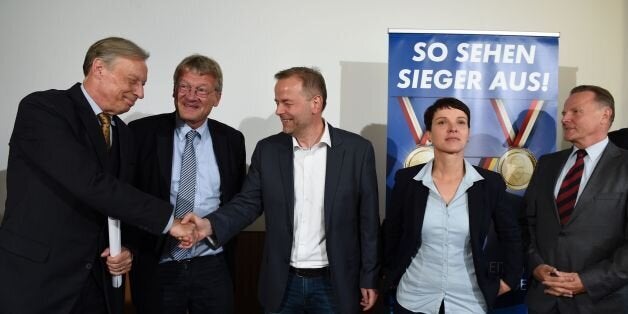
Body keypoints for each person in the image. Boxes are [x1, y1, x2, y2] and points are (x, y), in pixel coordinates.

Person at [0, 37, 197, 314]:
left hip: (99, 287)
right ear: (99, 68)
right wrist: (169, 222)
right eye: (133, 81)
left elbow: (120, 201)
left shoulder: (125, 134)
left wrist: (127, 248)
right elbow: (89, 182)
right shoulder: (43, 109)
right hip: (38, 282)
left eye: (143, 85)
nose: (140, 93)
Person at [183, 66, 380, 313]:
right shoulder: (268, 150)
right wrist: (210, 225)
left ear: (315, 103)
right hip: (282, 284)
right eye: (277, 102)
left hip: (336, 283)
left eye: (286, 103)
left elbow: (368, 221)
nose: (278, 111)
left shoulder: (357, 151)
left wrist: (369, 277)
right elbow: (248, 203)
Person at [128, 54, 246, 314]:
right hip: (158, 262)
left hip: (213, 264)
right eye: (184, 87)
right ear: (174, 91)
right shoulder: (141, 133)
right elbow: (127, 197)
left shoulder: (232, 140)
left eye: (202, 90)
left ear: (217, 97)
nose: (191, 96)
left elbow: (237, 201)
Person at [382, 97, 523, 313]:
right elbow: (391, 233)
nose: (452, 129)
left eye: (460, 122)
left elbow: (511, 236)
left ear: (467, 133)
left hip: (469, 302)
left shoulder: (489, 184)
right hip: (413, 299)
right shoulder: (407, 181)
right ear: (428, 134)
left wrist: (509, 280)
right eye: (442, 122)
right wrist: (389, 274)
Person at [524, 85, 628, 313]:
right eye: (563, 113)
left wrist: (588, 281)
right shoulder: (547, 164)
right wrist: (536, 266)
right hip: (544, 300)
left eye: (575, 112)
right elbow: (528, 225)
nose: (565, 119)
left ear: (605, 115)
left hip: (601, 303)